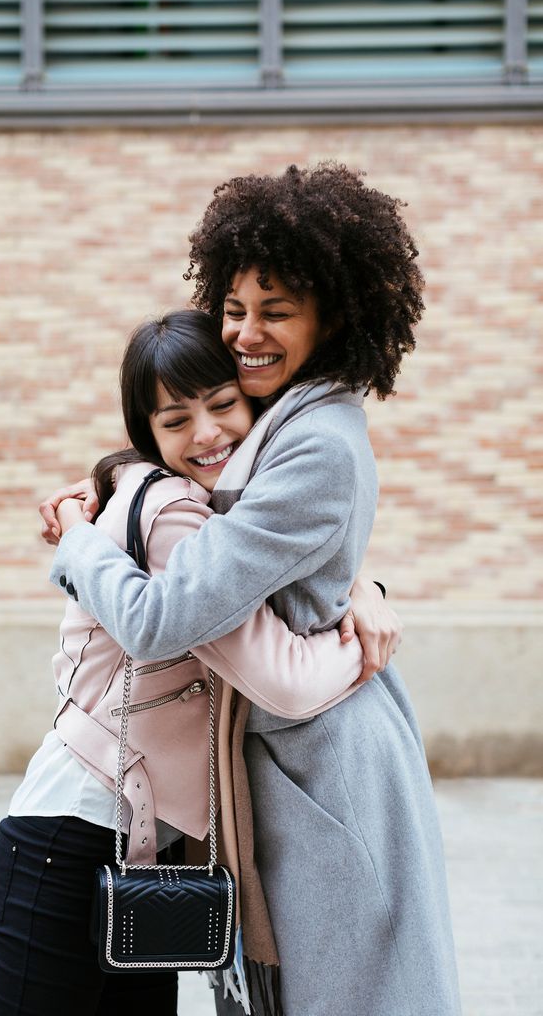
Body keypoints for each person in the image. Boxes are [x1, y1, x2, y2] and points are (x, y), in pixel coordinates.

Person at [40, 164, 462, 1016]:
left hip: (327, 763)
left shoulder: (315, 442)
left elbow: (175, 610)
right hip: (284, 757)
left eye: (277, 311)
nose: (246, 333)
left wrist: (80, 544)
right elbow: (222, 513)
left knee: (347, 994)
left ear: (331, 319)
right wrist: (361, 587)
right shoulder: (277, 422)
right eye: (235, 309)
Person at [0, 308, 387, 1016]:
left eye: (223, 405)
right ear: (149, 434)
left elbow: (272, 563)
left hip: (140, 840)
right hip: (71, 835)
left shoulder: (206, 509)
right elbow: (282, 679)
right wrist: (367, 644)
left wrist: (363, 586)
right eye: (175, 420)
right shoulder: (174, 519)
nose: (205, 434)